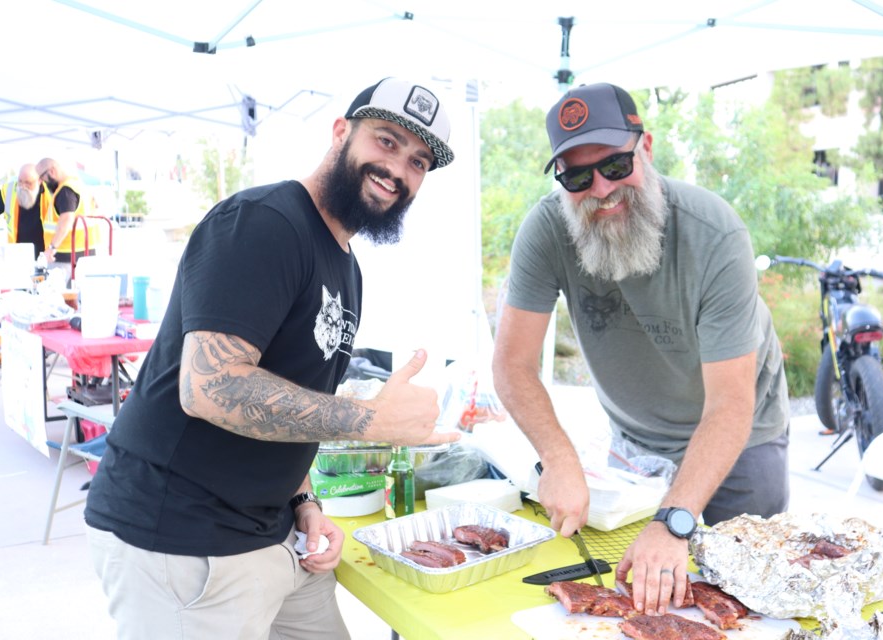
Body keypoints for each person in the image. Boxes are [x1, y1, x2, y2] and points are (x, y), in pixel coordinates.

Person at [83, 77, 460, 639]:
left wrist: (303, 499)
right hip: (184, 543)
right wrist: (371, 422)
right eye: (385, 141)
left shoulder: (344, 263)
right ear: (341, 133)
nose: (399, 170)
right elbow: (210, 387)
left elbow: (290, 395)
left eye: (419, 162)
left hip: (277, 534)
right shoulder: (263, 223)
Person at [492, 83, 789, 617]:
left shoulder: (715, 233)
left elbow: (731, 405)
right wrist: (558, 459)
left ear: (645, 147)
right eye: (577, 177)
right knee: (635, 600)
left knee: (740, 609)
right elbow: (512, 364)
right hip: (632, 444)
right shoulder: (546, 229)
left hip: (740, 442)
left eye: (615, 164)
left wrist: (674, 521)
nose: (601, 189)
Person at [34, 157, 97, 277]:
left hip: (67, 258)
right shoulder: (78, 185)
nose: (43, 182)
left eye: (42, 178)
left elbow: (66, 219)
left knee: (61, 293)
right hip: (84, 254)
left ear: (52, 171)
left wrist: (51, 248)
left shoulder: (66, 191)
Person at [0, 163, 51, 259]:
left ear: (39, 180)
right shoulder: (8, 191)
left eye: (28, 183)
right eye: (20, 181)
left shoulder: (51, 193)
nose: (23, 186)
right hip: (18, 257)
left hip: (46, 256)